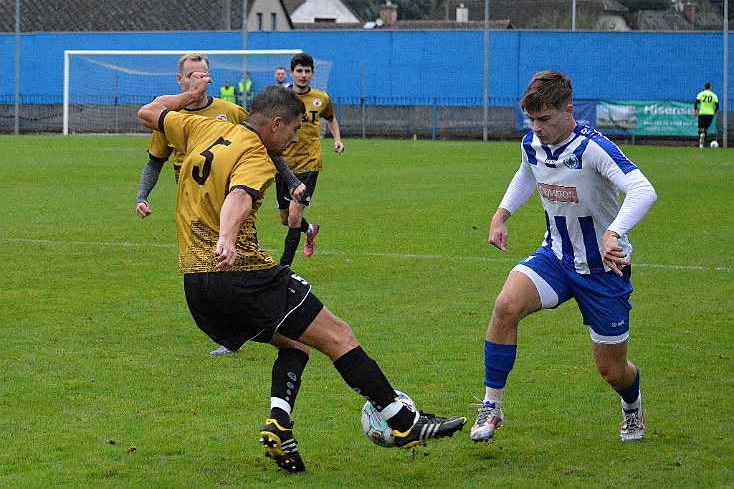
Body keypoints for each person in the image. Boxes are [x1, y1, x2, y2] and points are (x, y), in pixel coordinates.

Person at [137, 78, 467, 473]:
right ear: (275, 124)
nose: (295, 140)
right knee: (339, 336)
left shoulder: (202, 126)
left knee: (296, 344)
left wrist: (187, 99)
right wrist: (226, 238)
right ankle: (403, 422)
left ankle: (280, 424)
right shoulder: (257, 156)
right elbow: (238, 197)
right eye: (294, 130)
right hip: (242, 274)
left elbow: (148, 111)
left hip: (197, 284)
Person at [470, 71, 657, 444]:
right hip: (555, 258)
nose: (536, 128)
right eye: (532, 120)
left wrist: (613, 232)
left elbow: (643, 189)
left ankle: (632, 407)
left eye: (544, 119)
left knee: (612, 371)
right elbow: (526, 175)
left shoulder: (593, 148)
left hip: (605, 270)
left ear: (568, 111)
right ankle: (492, 405)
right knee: (506, 305)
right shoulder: (532, 145)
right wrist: (500, 216)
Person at [134, 52, 304, 357]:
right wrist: (142, 195)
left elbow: (268, 142)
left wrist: (290, 180)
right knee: (212, 269)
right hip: (193, 203)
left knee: (232, 257)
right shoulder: (178, 119)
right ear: (181, 81)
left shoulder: (229, 112)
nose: (200, 80)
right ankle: (244, 328)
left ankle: (251, 327)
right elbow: (155, 160)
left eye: (204, 74)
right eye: (192, 76)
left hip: (235, 194)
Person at [277, 52, 345, 266]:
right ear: (291, 73)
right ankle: (310, 230)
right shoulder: (282, 98)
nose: (303, 75)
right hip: (283, 163)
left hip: (309, 163)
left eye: (307, 71)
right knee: (285, 219)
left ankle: (284, 268)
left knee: (295, 216)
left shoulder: (321, 98)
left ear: (313, 73)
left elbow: (331, 118)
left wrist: (337, 139)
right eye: (299, 71)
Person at [694, 82, 719, 148]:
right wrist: (714, 112)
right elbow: (717, 106)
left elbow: (696, 103)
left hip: (702, 113)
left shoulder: (701, 94)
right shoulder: (714, 95)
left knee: (700, 128)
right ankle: (703, 141)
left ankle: (701, 142)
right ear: (710, 87)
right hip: (710, 114)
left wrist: (695, 110)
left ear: (704, 87)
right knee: (705, 129)